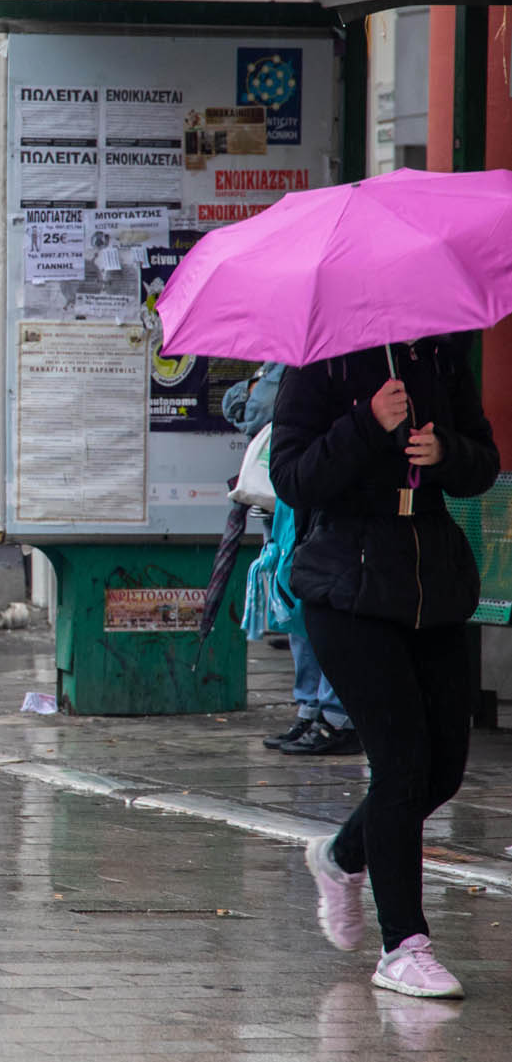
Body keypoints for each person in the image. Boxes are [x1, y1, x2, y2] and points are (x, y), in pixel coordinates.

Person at [271, 337, 498, 998]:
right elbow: (292, 475)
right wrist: (365, 424)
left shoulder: (437, 353)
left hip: (430, 579)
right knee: (400, 763)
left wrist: (445, 452)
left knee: (442, 768)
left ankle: (340, 855)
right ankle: (402, 943)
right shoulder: (320, 361)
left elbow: (482, 462)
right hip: (345, 582)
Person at [224, 364, 358, 757]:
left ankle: (334, 715)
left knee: (317, 604)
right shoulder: (281, 361)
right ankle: (312, 707)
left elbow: (257, 407)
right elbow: (238, 403)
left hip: (315, 500)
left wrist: (257, 391)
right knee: (294, 606)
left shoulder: (316, 362)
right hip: (283, 501)